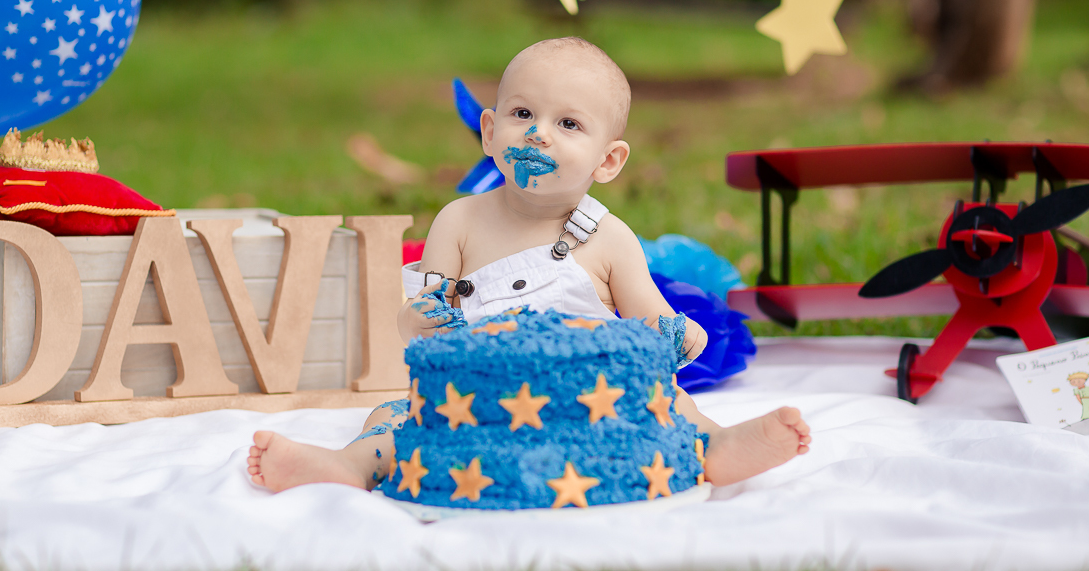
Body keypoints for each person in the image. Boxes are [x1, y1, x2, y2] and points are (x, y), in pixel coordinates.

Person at [248, 37, 811, 493]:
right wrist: (419, 320)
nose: (538, 131)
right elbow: (415, 315)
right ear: (490, 133)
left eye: (569, 124)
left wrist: (680, 336)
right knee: (394, 419)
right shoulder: (459, 221)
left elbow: (653, 323)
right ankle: (350, 466)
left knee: (668, 401)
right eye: (522, 113)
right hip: (476, 399)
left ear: (608, 160)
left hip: (593, 396)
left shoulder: (609, 238)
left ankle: (715, 447)